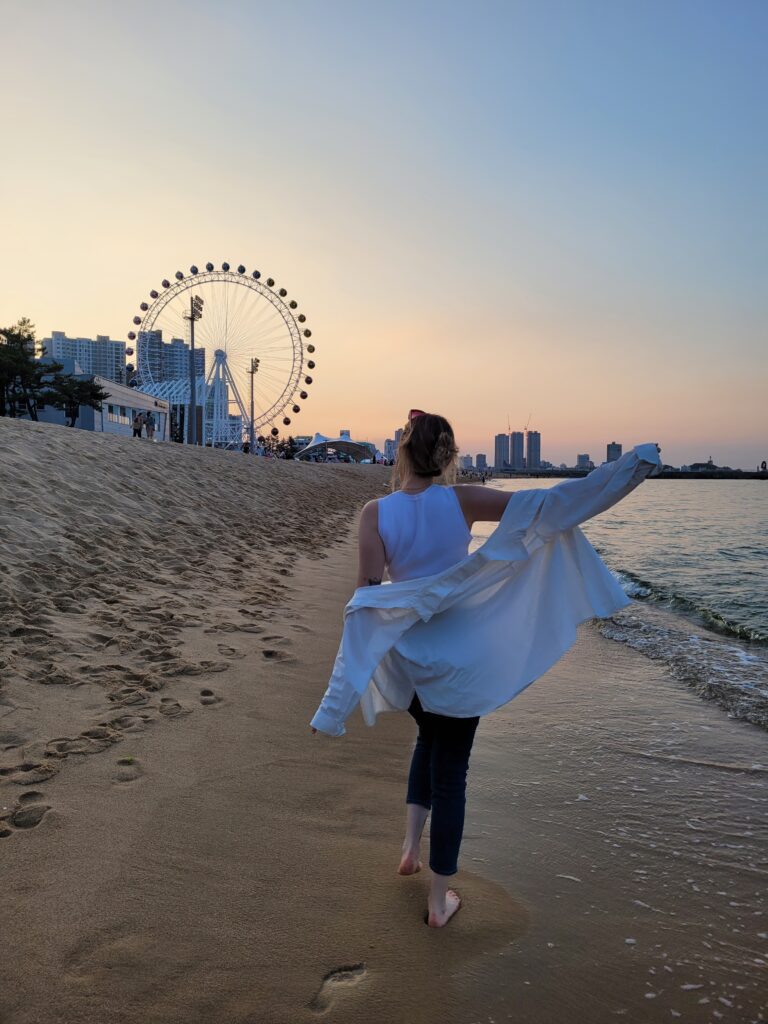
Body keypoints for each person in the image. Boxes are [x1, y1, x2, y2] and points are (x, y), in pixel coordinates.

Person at [311, 410, 661, 929]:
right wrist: (625, 470)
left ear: (401, 452)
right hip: (460, 662)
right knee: (451, 772)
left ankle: (409, 849)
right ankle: (437, 903)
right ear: (448, 457)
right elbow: (548, 506)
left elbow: (366, 596)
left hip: (409, 661)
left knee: (428, 742)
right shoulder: (461, 500)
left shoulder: (374, 513)